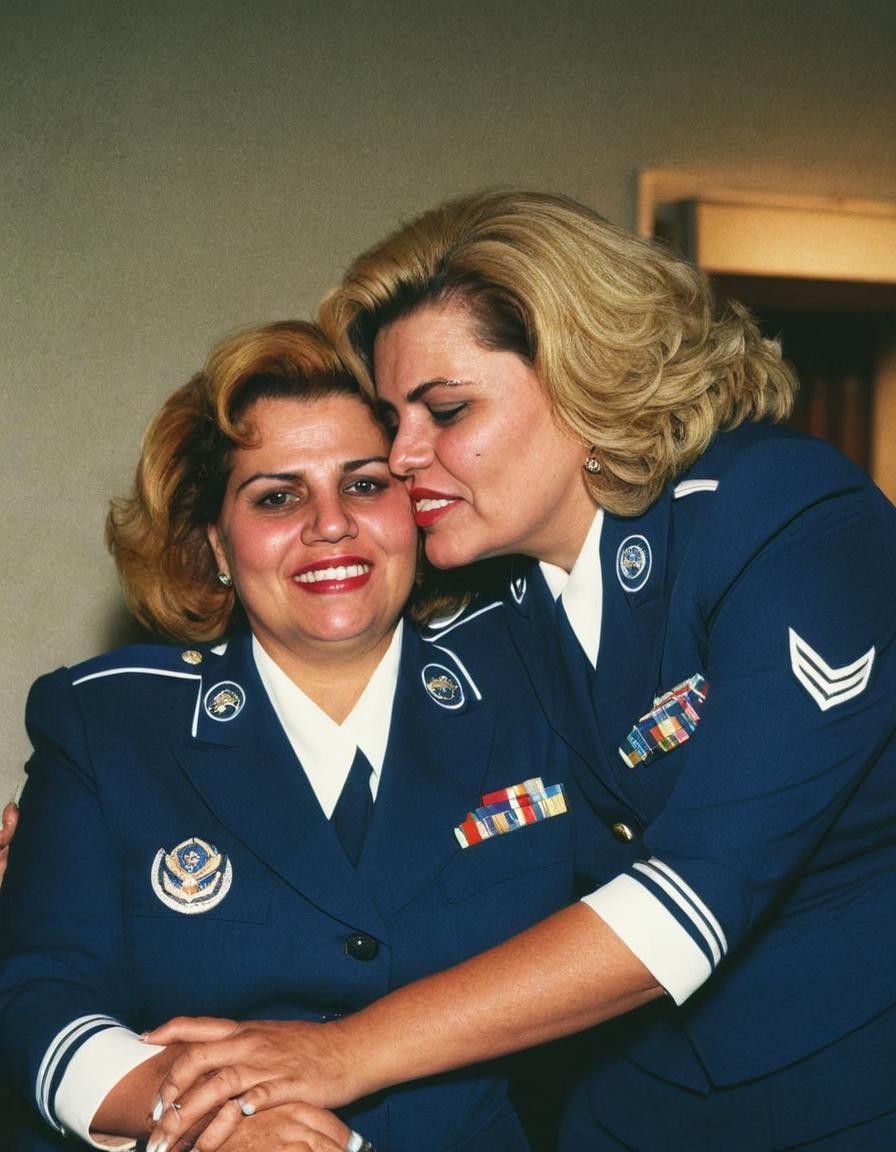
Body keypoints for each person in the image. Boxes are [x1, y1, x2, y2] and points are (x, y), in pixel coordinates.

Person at [146, 191, 896, 1151]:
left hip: (851, 1097)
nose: (404, 455)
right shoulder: (496, 606)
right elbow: (321, 763)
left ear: (587, 374)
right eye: (392, 419)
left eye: (446, 410)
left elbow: (694, 899)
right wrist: (91, 822)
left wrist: (344, 1053)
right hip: (625, 1109)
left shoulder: (782, 518)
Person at [0, 318, 603, 1152]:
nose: (330, 525)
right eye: (277, 497)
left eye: (364, 485)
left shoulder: (532, 680)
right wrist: (219, 1120)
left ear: (415, 504)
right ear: (215, 542)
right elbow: (37, 995)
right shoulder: (109, 723)